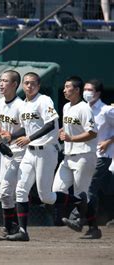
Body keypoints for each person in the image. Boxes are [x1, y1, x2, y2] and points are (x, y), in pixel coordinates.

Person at [7, 73, 87, 242]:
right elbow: (26, 129)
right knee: (20, 190)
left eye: (33, 83)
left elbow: (51, 123)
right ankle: (22, 231)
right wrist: (11, 136)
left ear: (39, 85)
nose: (29, 86)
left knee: (47, 197)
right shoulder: (23, 105)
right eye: (26, 83)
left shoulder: (44, 100)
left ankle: (79, 201)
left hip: (46, 151)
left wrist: (29, 138)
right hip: (30, 151)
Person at [65, 79, 114, 238]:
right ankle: (93, 227)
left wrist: (108, 141)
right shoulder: (80, 108)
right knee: (97, 190)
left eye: (89, 90)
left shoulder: (106, 110)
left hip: (102, 154)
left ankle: (78, 219)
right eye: (84, 89)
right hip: (86, 153)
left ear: (97, 93)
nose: (86, 92)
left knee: (89, 189)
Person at [53, 77, 98, 238]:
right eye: (64, 87)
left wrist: (71, 138)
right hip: (68, 156)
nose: (64, 90)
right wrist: (63, 133)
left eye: (67, 87)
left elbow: (92, 132)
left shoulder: (84, 108)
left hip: (84, 155)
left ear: (77, 90)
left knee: (81, 193)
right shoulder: (66, 106)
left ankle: (85, 223)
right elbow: (68, 128)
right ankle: (82, 218)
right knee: (56, 190)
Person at [0, 70, 26, 240]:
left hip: (20, 152)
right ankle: (11, 226)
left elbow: (27, 128)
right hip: (5, 153)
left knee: (10, 192)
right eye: (1, 80)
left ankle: (10, 226)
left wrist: (11, 135)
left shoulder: (21, 105)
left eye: (5, 81)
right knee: (5, 193)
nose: (1, 84)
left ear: (14, 84)